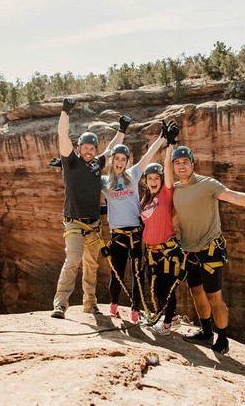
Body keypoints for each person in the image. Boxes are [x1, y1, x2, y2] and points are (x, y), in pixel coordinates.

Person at [169, 144, 245, 353]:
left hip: (209, 250)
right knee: (196, 292)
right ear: (172, 166)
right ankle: (206, 332)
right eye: (177, 163)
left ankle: (222, 339)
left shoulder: (208, 185)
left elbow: (233, 196)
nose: (181, 166)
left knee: (215, 298)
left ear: (192, 164)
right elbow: (168, 217)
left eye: (185, 162)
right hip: (189, 252)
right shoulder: (176, 190)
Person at [50, 97, 129, 319]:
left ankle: (89, 304)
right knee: (73, 259)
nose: (89, 151)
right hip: (74, 222)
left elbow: (112, 149)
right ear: (79, 148)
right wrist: (65, 111)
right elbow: (62, 136)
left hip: (94, 225)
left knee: (92, 266)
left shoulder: (96, 164)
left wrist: (121, 130)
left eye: (92, 148)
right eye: (85, 147)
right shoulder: (71, 162)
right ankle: (61, 304)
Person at [101, 123, 167, 323]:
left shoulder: (133, 174)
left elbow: (148, 155)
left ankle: (135, 310)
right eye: (117, 159)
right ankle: (113, 306)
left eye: (123, 159)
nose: (120, 162)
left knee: (137, 274)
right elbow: (85, 178)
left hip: (137, 233)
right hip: (118, 234)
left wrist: (163, 138)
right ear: (111, 160)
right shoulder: (104, 181)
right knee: (117, 272)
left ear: (127, 161)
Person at [140, 122, 186, 335]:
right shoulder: (145, 201)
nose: (153, 181)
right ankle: (173, 318)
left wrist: (170, 145)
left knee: (167, 289)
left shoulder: (166, 195)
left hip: (167, 250)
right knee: (157, 289)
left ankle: (166, 325)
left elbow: (168, 168)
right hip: (151, 252)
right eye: (149, 179)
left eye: (156, 179)